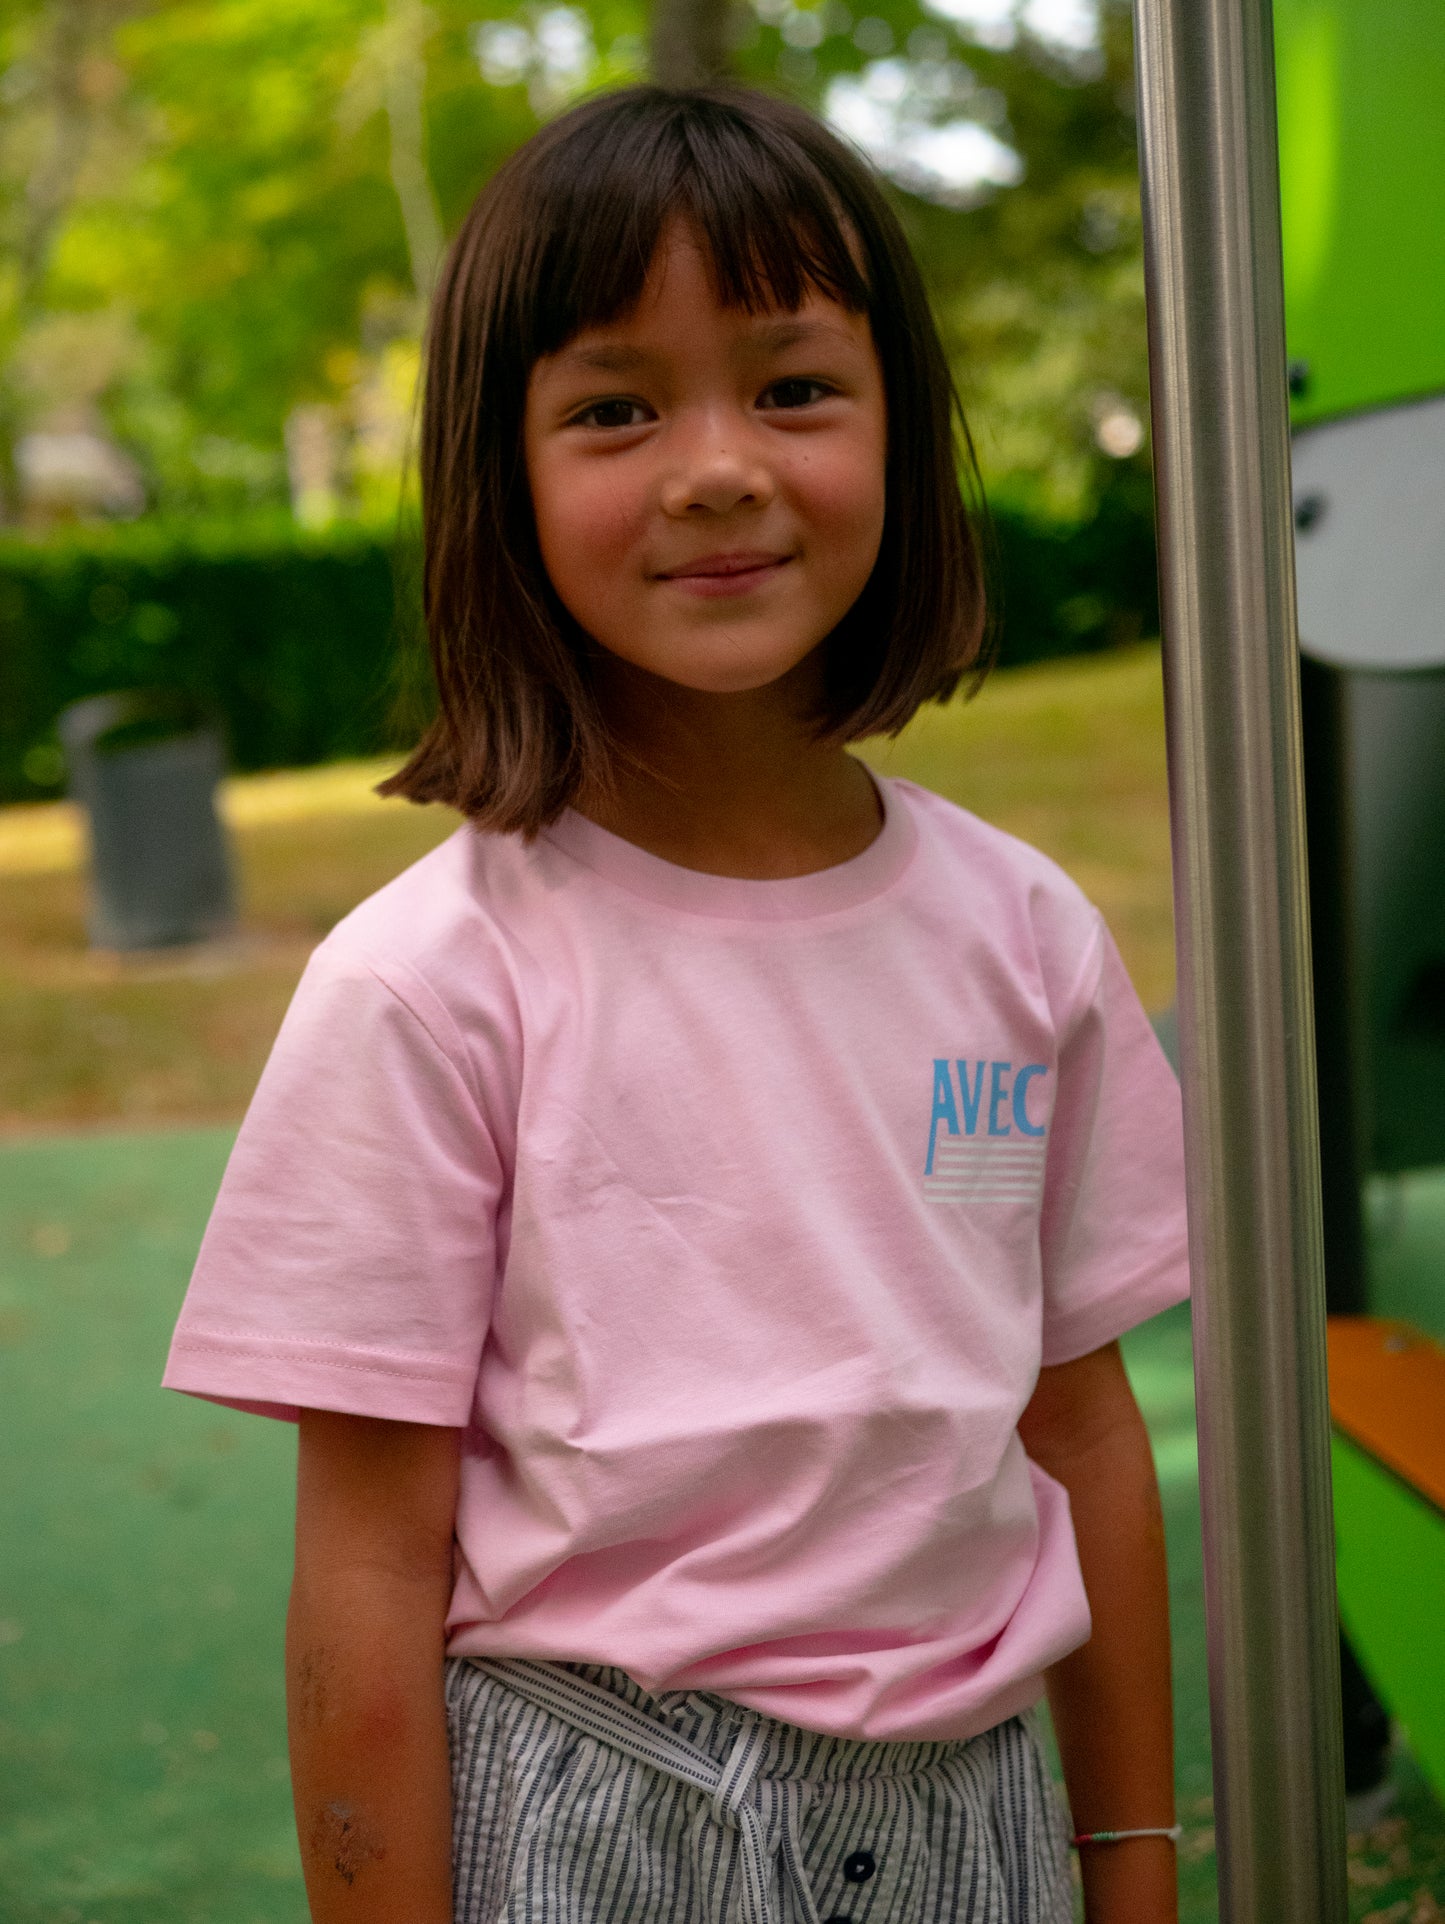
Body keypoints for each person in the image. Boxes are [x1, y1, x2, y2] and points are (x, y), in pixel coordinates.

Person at [163, 84, 1189, 1924]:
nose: (714, 465)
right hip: (586, 1801)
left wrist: (1129, 1857)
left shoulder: (1023, 936)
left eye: (792, 385)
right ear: (500, 473)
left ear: (902, 428)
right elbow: (372, 1569)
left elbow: (1083, 1431)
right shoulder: (425, 981)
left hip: (974, 1806)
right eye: (616, 407)